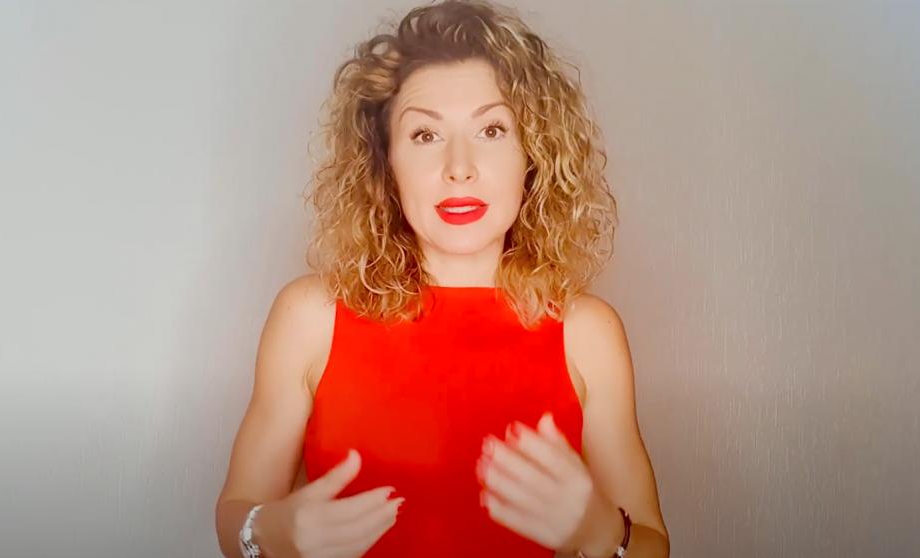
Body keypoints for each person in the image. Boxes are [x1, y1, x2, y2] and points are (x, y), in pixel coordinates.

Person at [215, 1, 669, 556]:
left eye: (492, 130)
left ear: (533, 155)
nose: (459, 168)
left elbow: (654, 542)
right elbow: (236, 510)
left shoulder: (588, 331)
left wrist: (600, 532)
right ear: (385, 162)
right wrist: (272, 531)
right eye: (425, 135)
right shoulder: (309, 316)